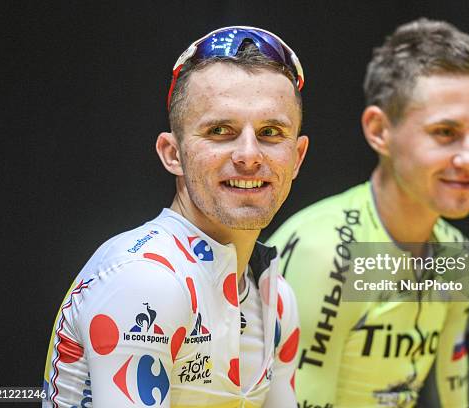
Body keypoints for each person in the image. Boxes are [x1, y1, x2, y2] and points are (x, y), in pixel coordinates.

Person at [43, 26, 308, 407]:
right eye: (220, 130)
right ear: (172, 153)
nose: (249, 155)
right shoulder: (146, 279)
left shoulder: (276, 296)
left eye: (270, 132)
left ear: (297, 157)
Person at [268, 18, 469, 407]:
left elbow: (451, 398)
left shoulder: (454, 255)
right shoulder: (326, 253)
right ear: (379, 131)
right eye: (445, 132)